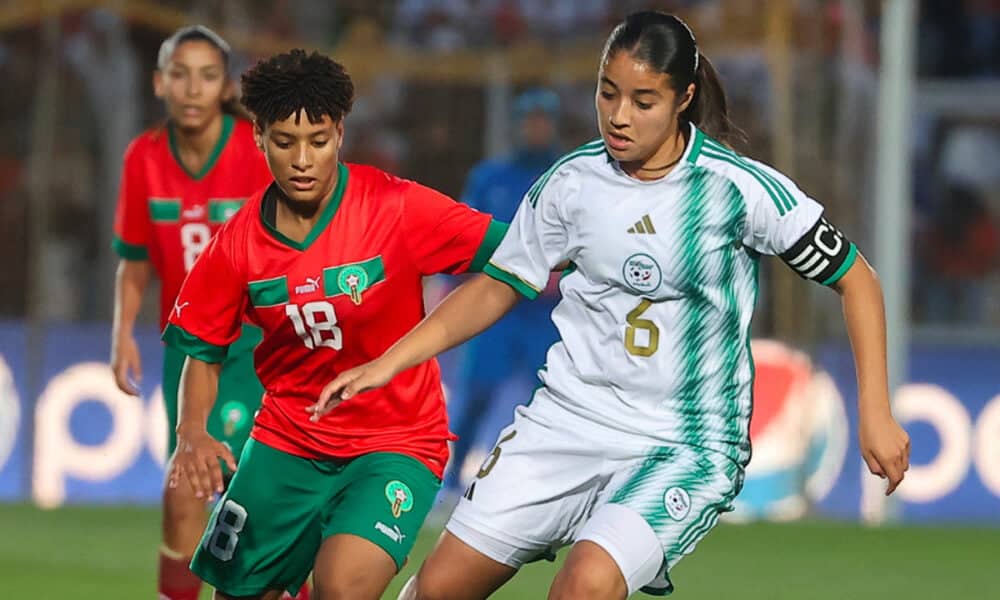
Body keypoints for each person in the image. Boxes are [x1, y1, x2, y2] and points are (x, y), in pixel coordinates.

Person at [317, 11, 912, 600]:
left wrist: (876, 410)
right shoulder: (571, 182)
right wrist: (391, 360)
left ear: (684, 98)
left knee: (584, 587)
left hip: (683, 442)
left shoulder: (741, 190)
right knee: (439, 588)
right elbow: (499, 284)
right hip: (566, 422)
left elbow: (857, 280)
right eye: (608, 94)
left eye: (643, 100)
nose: (619, 116)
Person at [164, 48, 506, 600]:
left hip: (396, 441)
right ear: (258, 138)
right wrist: (192, 432)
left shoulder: (396, 206)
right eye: (284, 141)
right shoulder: (236, 246)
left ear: (340, 132)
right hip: (286, 442)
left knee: (342, 587)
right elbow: (200, 350)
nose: (303, 159)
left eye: (318, 140)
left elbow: (515, 252)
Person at [108, 25, 286, 600]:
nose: (192, 88)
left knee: (257, 507)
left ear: (224, 86)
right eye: (180, 74)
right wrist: (122, 332)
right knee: (182, 501)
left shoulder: (255, 151)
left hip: (256, 351)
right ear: (159, 83)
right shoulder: (144, 158)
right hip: (186, 353)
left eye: (207, 76)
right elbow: (134, 261)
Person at [444, 88, 563, 495]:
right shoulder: (490, 176)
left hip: (547, 311)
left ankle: (549, 484)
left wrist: (562, 280)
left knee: (554, 396)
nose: (536, 128)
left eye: (543, 120)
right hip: (498, 302)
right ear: (517, 125)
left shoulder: (568, 176)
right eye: (530, 120)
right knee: (476, 392)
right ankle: (452, 478)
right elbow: (464, 234)